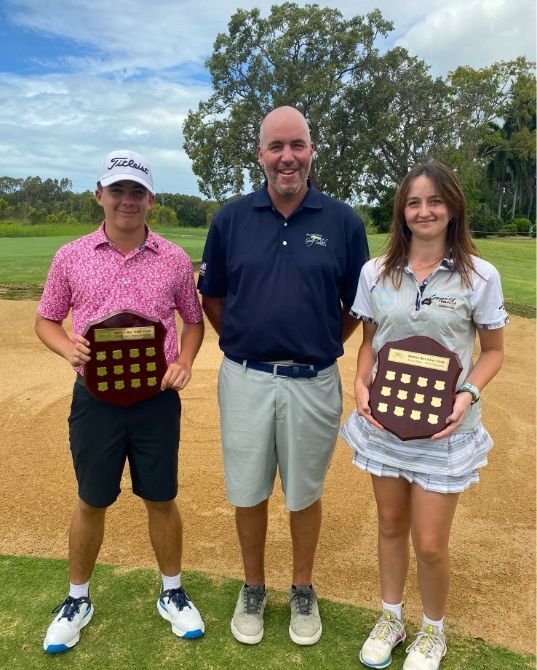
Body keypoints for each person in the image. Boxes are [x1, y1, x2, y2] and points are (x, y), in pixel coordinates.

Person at [197, 106, 369, 646]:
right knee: (248, 490)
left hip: (314, 380)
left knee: (304, 492)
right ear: (260, 154)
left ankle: (301, 587)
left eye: (297, 145)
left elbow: (355, 305)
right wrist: (250, 340)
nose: (287, 157)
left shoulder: (343, 222)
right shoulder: (230, 219)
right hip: (245, 376)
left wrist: (317, 343)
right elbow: (214, 298)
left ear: (312, 150)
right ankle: (253, 587)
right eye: (276, 147)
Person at [340, 160, 507, 670]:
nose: (424, 210)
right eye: (414, 202)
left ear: (453, 207)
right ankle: (392, 617)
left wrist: (468, 396)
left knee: (430, 542)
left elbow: (494, 352)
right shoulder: (376, 271)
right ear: (401, 211)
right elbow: (370, 342)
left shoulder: (480, 276)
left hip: (444, 430)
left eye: (435, 201)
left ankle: (433, 631)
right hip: (387, 423)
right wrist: (359, 380)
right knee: (390, 524)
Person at [36, 149, 205, 653]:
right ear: (99, 196)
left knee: (161, 496)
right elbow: (47, 318)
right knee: (92, 499)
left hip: (156, 400)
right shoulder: (71, 255)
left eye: (136, 191)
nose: (126, 200)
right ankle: (77, 598)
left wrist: (186, 361)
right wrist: (68, 346)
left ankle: (171, 592)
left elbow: (192, 319)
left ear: (150, 199)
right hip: (96, 399)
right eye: (117, 190)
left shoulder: (174, 258)